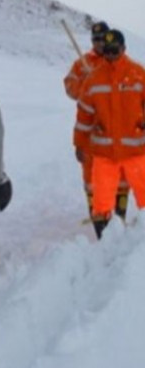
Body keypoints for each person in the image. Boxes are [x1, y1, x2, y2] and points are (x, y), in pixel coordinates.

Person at [74, 29, 145, 238]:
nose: (111, 55)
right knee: (102, 201)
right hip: (104, 154)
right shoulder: (93, 79)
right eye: (107, 51)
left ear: (123, 49)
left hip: (136, 152)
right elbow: (84, 116)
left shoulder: (138, 74)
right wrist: (79, 144)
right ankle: (104, 241)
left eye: (115, 50)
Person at [64, 21, 129, 220]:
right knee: (92, 177)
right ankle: (99, 218)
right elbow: (69, 85)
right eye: (95, 39)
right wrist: (86, 85)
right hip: (92, 132)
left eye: (102, 39)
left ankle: (119, 215)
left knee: (121, 177)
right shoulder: (83, 64)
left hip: (118, 132)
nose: (99, 43)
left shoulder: (120, 63)